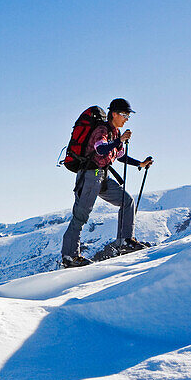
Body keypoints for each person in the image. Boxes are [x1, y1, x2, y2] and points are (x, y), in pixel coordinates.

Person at [61, 98, 154, 267]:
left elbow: (120, 157)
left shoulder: (115, 133)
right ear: (114, 114)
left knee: (127, 201)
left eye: (128, 115)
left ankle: (125, 241)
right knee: (80, 216)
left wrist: (140, 164)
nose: (126, 118)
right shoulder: (102, 130)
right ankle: (70, 257)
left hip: (102, 176)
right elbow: (100, 148)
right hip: (90, 175)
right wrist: (119, 140)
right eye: (124, 114)